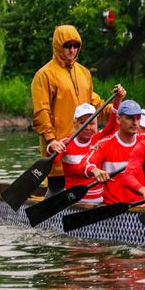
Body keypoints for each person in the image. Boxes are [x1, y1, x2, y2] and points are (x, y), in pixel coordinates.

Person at [31, 25, 113, 194]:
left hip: (84, 147)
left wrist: (119, 112)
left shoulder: (84, 73)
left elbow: (94, 102)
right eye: (68, 45)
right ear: (58, 46)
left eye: (76, 45)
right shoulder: (44, 75)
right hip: (59, 147)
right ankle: (49, 212)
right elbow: (41, 112)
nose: (72, 50)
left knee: (87, 186)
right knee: (58, 188)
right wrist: (51, 140)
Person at [45, 86, 125, 204]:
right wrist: (51, 147)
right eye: (83, 123)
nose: (88, 127)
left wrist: (117, 100)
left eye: (91, 123)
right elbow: (53, 160)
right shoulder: (66, 143)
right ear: (75, 124)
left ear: (96, 123)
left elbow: (113, 125)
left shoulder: (99, 140)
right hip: (74, 203)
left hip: (100, 203)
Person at [84, 100, 145, 204]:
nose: (135, 122)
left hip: (141, 208)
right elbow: (85, 162)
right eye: (130, 118)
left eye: (138, 118)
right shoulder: (104, 144)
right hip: (113, 210)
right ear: (118, 119)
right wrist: (95, 170)